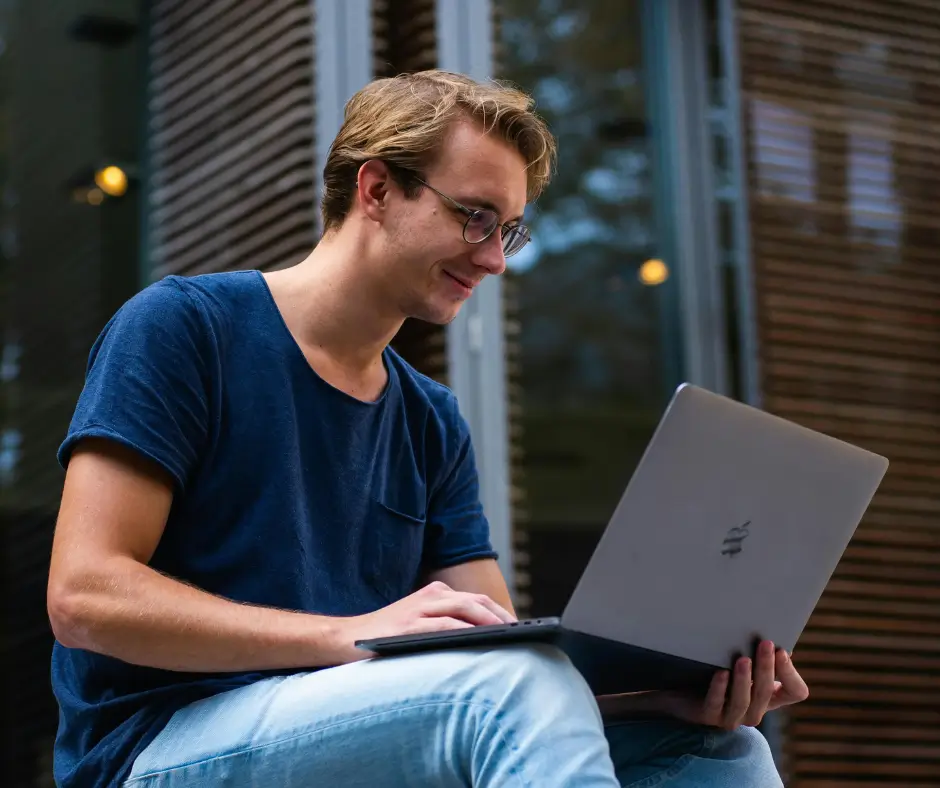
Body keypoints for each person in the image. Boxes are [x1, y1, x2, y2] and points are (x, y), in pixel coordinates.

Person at [47, 69, 808, 788]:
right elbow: (83, 598)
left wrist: (655, 698)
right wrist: (351, 634)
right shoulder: (186, 329)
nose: (493, 259)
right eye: (475, 217)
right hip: (157, 746)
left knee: (719, 750)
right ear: (376, 188)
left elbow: (502, 661)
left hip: (354, 732)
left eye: (509, 231)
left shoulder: (430, 418)